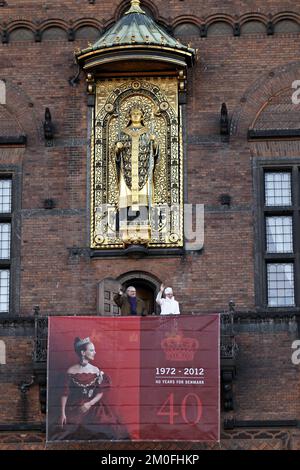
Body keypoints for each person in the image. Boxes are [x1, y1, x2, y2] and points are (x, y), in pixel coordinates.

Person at [55, 336, 129, 441]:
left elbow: (100, 391)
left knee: (109, 427)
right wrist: (63, 413)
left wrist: (89, 404)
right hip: (75, 406)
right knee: (67, 431)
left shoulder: (96, 370)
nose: (95, 352)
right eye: (91, 350)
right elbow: (65, 393)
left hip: (94, 407)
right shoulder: (71, 371)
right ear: (83, 353)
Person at [115, 106, 159, 244]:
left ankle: (144, 226)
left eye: (138, 113)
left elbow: (156, 154)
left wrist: (154, 143)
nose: (135, 115)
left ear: (142, 116)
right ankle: (126, 226)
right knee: (126, 197)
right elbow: (115, 153)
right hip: (127, 171)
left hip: (143, 172)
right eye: (133, 113)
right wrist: (117, 148)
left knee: (143, 199)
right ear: (129, 116)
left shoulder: (148, 132)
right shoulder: (123, 133)